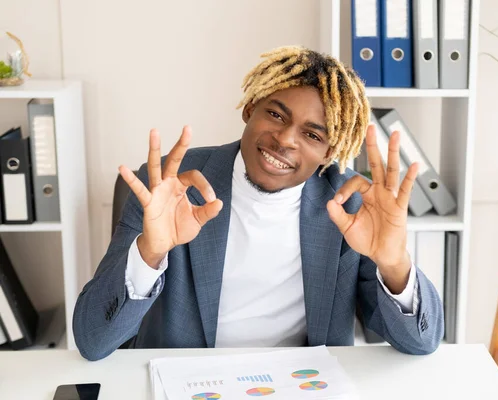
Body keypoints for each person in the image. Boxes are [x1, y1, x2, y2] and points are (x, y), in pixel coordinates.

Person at [73, 45, 444, 361]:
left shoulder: (348, 205)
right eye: (276, 114)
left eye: (312, 134)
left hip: (297, 385)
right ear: (250, 108)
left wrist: (394, 264)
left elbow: (421, 343)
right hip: (185, 383)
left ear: (329, 151)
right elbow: (93, 341)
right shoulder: (172, 186)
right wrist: (150, 254)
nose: (285, 139)